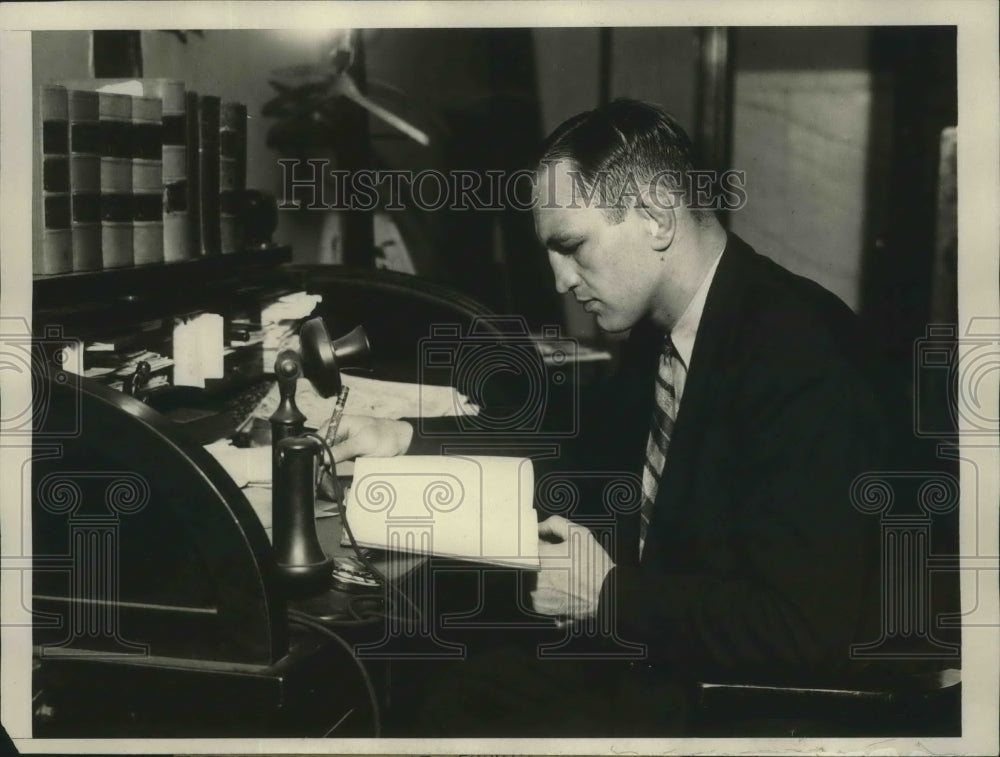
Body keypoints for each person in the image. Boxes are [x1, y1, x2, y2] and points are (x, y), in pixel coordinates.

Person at [330, 99, 887, 735]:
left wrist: (605, 595)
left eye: (572, 247)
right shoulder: (676, 325)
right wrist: (408, 437)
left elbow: (805, 628)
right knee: (435, 670)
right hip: (674, 647)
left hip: (748, 704)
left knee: (438, 695)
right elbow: (579, 440)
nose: (561, 280)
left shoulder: (802, 359)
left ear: (654, 215)